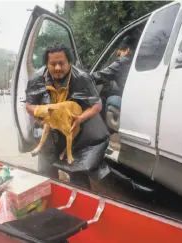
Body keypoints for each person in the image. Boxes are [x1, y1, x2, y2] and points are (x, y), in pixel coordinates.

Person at [25, 42, 110, 189]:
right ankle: (50, 205)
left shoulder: (82, 78)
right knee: (46, 178)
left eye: (62, 63)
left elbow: (97, 105)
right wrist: (42, 112)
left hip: (74, 131)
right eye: (53, 64)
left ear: (69, 62)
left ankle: (80, 207)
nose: (57, 68)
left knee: (78, 178)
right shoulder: (37, 79)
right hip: (49, 133)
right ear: (47, 64)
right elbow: (28, 105)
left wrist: (80, 118)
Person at [90, 36, 135, 112]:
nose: (118, 55)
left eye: (120, 53)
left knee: (111, 99)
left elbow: (100, 76)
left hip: (132, 102)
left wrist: (84, 77)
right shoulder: (135, 60)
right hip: (138, 97)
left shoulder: (123, 62)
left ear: (127, 50)